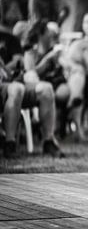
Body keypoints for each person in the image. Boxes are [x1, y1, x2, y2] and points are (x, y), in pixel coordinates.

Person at [0, 29, 63, 157]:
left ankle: (48, 141)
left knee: (46, 89)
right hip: (7, 86)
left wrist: (11, 74)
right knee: (17, 88)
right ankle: (10, 143)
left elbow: (7, 70)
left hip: (8, 83)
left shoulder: (9, 38)